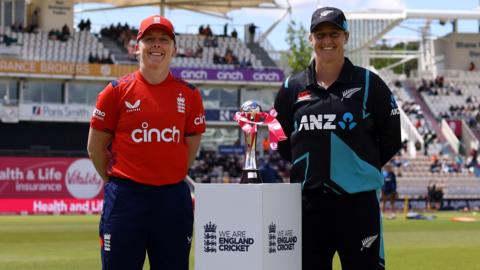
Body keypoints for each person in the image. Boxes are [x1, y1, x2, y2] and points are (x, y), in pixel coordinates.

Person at [274, 7, 401, 270]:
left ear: (346, 37)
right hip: (307, 205)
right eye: (320, 34)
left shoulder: (370, 84)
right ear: (311, 39)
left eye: (334, 33)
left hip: (358, 203)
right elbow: (283, 141)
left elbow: (391, 138)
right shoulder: (292, 88)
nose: (327, 40)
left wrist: (358, 170)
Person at [87, 15, 205, 270]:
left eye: (164, 39)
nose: (156, 45)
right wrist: (115, 182)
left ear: (173, 48)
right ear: (136, 47)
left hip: (172, 199)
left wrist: (169, 173)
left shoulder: (190, 94)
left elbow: (191, 143)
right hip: (126, 198)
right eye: (149, 39)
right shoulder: (115, 91)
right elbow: (95, 147)